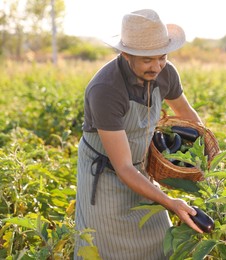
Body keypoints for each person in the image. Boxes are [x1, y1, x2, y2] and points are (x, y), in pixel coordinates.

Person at [74, 9, 204, 260]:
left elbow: (189, 117)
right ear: (126, 54)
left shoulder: (166, 73)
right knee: (105, 249)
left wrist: (207, 157)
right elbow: (122, 167)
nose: (156, 66)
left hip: (140, 169)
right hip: (105, 178)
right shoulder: (106, 89)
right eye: (147, 60)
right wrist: (171, 202)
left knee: (158, 242)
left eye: (162, 57)